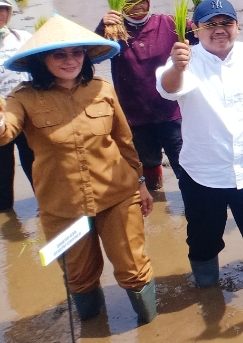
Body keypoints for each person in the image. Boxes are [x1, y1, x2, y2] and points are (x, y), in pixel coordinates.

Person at [0, 16, 156, 323]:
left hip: (118, 196)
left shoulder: (102, 89)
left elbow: (124, 142)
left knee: (133, 268)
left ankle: (151, 328)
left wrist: (141, 183)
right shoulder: (22, 98)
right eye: (59, 55)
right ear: (42, 60)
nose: (70, 60)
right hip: (62, 205)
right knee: (79, 276)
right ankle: (93, 329)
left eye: (76, 53)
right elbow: (7, 131)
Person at [157, 0, 243, 286]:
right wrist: (177, 67)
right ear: (196, 29)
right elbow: (168, 89)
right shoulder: (185, 62)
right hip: (202, 175)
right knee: (202, 241)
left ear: (237, 26)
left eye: (226, 22)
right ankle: (207, 288)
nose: (219, 29)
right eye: (210, 24)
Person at [95, 0, 187, 191]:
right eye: (130, 2)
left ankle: (193, 200)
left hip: (171, 111)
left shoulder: (169, 23)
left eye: (142, 0)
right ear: (121, 5)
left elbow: (202, 36)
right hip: (135, 114)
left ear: (149, 1)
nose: (138, 6)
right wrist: (101, 28)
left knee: (183, 161)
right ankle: (154, 201)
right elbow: (89, 56)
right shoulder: (114, 31)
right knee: (146, 164)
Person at [0, 0, 34, 210]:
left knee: (34, 163)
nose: (0, 14)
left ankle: (47, 208)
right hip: (0, 118)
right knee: (2, 170)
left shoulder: (22, 37)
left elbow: (40, 68)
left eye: (3, 9)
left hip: (27, 112)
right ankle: (6, 214)